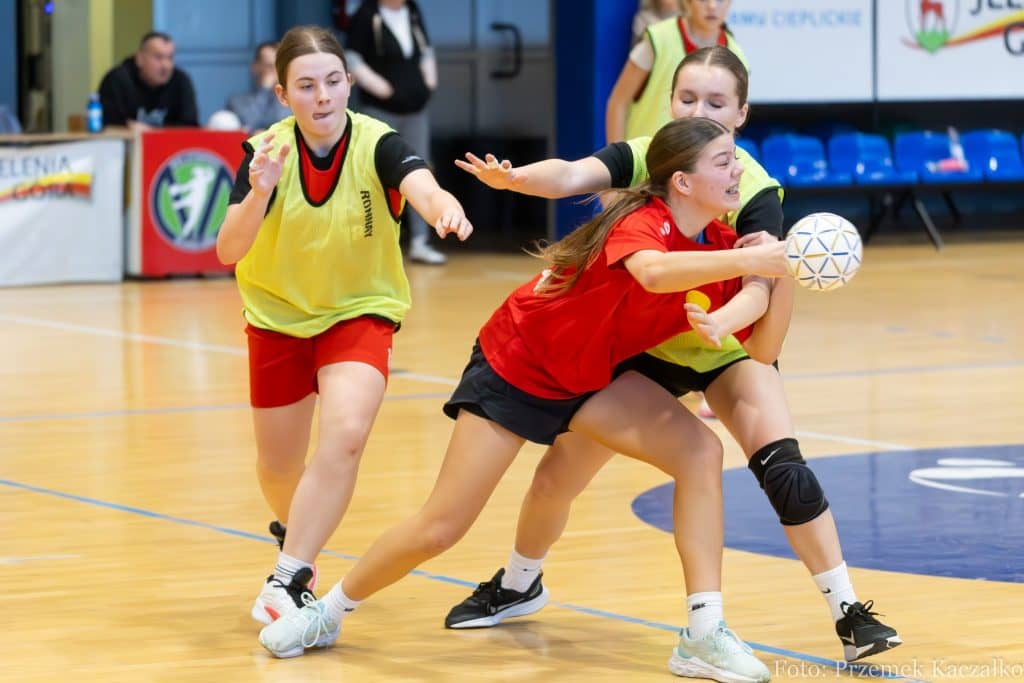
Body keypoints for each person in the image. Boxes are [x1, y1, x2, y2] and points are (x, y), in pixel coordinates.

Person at [257, 116, 792, 683]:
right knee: (441, 526)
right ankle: (326, 613)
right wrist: (752, 262)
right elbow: (655, 274)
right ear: (682, 182)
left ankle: (704, 633)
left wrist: (787, 274)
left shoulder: (721, 248)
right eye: (724, 161)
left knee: (701, 453)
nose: (739, 172)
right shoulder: (644, 221)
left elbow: (763, 350)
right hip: (518, 360)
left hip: (592, 377)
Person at [449, 47, 902, 664]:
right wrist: (519, 179)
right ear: (669, 102)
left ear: (741, 113)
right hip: (646, 344)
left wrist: (721, 326)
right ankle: (519, 582)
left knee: (783, 466)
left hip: (724, 342)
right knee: (559, 474)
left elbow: (760, 285)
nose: (699, 111)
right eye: (687, 98)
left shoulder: (753, 188)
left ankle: (848, 612)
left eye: (715, 102)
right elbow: (575, 174)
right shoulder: (652, 154)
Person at [215, 25, 473, 630]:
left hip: (360, 311)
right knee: (278, 469)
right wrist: (258, 193)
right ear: (283, 95)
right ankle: (296, 541)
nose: (323, 96)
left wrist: (444, 208)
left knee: (346, 435)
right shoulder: (264, 153)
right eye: (306, 86)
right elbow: (228, 250)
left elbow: (422, 185)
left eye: (333, 81)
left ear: (350, 83)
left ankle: (287, 576)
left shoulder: (379, 143)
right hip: (277, 317)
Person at [345, 0, 446, 265]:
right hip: (380, 110)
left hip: (415, 110)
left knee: (421, 170)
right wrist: (382, 88)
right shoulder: (365, 14)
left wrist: (428, 83)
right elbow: (353, 58)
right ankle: (371, 244)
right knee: (374, 175)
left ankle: (421, 241)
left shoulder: (412, 11)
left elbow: (425, 50)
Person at [608, 0, 746, 143]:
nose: (712, 6)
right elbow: (619, 102)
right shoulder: (659, 38)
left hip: (703, 156)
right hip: (647, 154)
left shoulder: (737, 55)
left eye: (715, 103)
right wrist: (619, 155)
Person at [97, 31, 198, 129]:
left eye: (170, 58)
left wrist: (152, 132)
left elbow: (190, 125)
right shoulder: (117, 80)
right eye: (158, 57)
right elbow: (106, 122)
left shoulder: (180, 81)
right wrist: (128, 127)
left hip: (168, 140)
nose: (166, 65)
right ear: (140, 59)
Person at [226, 41, 291, 132]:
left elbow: (284, 123)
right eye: (269, 66)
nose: (275, 71)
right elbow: (249, 124)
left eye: (278, 66)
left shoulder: (291, 99)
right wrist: (264, 90)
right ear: (255, 67)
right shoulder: (237, 101)